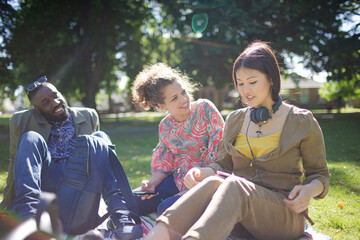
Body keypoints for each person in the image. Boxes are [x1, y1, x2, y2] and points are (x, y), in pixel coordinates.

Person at [144, 41, 331, 240]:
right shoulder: (235, 119)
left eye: (252, 82)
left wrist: (308, 191)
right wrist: (200, 172)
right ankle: (157, 236)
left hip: (284, 215)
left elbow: (320, 175)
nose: (245, 90)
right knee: (214, 182)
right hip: (240, 217)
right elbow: (221, 164)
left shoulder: (301, 121)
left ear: (271, 79)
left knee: (233, 185)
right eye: (240, 83)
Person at [0, 76, 142, 239]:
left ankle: (120, 213)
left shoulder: (88, 115)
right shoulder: (22, 120)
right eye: (46, 102)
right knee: (30, 138)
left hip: (82, 189)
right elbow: (16, 165)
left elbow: (101, 164)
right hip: (50, 193)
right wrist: (6, 208)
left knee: (99, 137)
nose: (55, 102)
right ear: (37, 110)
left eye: (55, 95)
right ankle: (29, 221)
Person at [132, 63, 224, 216]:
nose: (183, 99)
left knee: (166, 210)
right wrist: (152, 184)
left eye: (183, 92)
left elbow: (221, 153)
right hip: (180, 181)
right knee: (134, 202)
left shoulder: (204, 109)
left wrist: (189, 190)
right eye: (174, 98)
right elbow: (167, 162)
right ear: (162, 105)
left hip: (211, 178)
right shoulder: (166, 126)